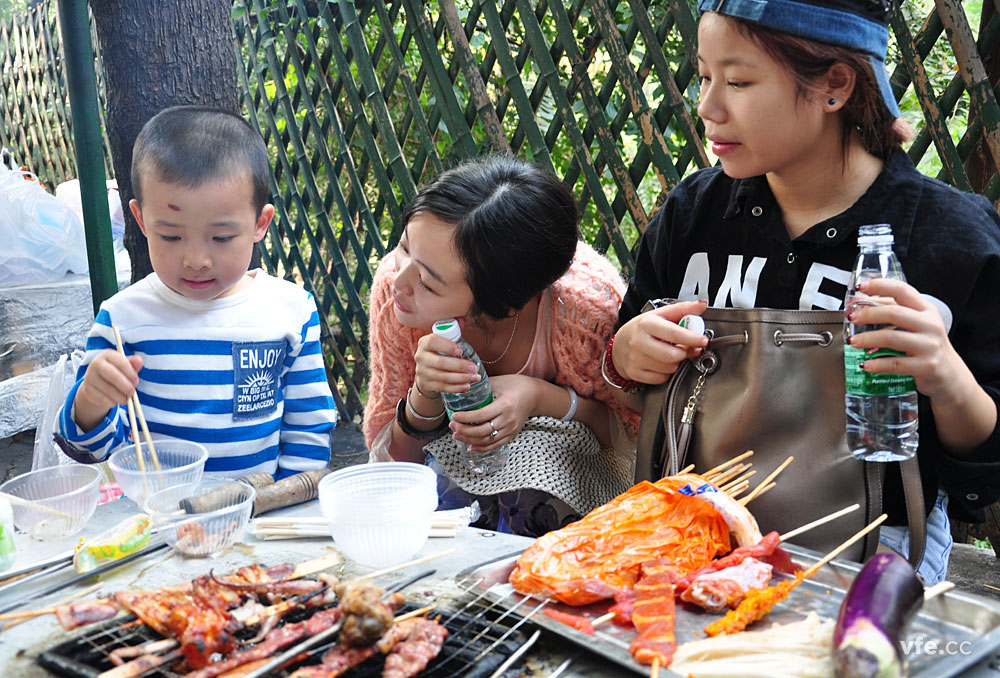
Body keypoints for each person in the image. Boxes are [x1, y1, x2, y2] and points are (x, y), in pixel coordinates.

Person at [606, 0, 1000, 583]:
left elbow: (985, 463)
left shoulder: (952, 239)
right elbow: (628, 377)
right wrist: (627, 354)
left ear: (834, 85)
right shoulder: (693, 216)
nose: (707, 106)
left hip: (873, 546)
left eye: (738, 81)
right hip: (693, 527)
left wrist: (945, 376)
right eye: (705, 76)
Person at [363, 155, 640, 537]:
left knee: (536, 462)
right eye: (404, 247)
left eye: (428, 283)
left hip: (566, 504)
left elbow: (629, 444)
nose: (399, 281)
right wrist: (424, 395)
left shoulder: (586, 314)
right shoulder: (397, 296)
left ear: (507, 303)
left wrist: (541, 398)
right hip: (454, 499)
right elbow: (391, 466)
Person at [57, 106, 337, 478]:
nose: (196, 260)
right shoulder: (123, 320)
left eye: (221, 237)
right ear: (141, 220)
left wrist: (289, 501)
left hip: (260, 510)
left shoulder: (290, 311)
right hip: (158, 511)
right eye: (171, 236)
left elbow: (308, 429)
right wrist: (89, 404)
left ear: (260, 223)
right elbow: (91, 451)